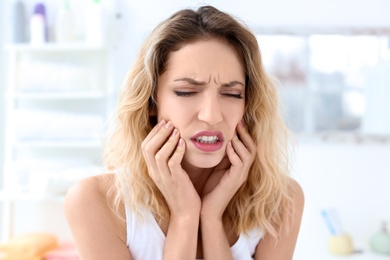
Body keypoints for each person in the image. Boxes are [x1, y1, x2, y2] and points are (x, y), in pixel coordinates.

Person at [64, 5, 304, 260]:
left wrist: (211, 219)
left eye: (232, 94)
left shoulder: (281, 202)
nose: (212, 115)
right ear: (151, 103)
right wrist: (185, 216)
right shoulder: (96, 201)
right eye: (186, 92)